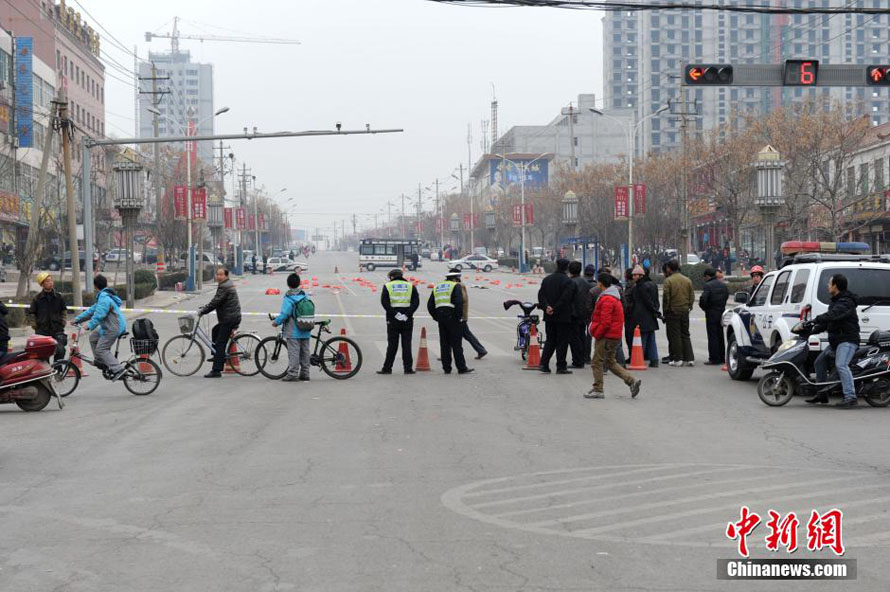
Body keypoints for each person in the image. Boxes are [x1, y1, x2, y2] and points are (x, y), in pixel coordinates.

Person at [807, 274, 860, 408]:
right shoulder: (836, 301)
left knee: (841, 365)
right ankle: (822, 394)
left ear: (835, 286)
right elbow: (830, 321)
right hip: (836, 342)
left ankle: (850, 397)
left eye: (829, 283)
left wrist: (815, 319)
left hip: (847, 340)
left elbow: (833, 315)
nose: (828, 286)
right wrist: (811, 330)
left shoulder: (846, 302)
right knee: (819, 362)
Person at [586, 273, 642, 399]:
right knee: (610, 362)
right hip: (614, 335)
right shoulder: (613, 297)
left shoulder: (607, 299)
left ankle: (598, 389)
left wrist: (597, 333)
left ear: (600, 283)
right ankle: (631, 381)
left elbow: (605, 322)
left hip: (606, 336)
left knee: (596, 362)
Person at [73, 275, 126, 379]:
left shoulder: (104, 298)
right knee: (93, 337)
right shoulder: (103, 296)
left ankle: (118, 369)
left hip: (113, 328)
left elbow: (99, 314)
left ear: (95, 286)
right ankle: (101, 362)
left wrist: (89, 325)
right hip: (109, 327)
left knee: (102, 349)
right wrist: (77, 319)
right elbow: (92, 310)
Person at [427, 269, 473, 374]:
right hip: (453, 318)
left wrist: (436, 317)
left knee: (444, 344)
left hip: (441, 319)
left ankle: (446, 368)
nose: (458, 281)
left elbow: (430, 305)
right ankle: (461, 368)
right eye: (458, 279)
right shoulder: (455, 286)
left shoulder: (437, 287)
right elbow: (459, 302)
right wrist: (458, 317)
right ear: (454, 279)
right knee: (457, 344)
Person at [199, 267, 242, 378]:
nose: (218, 276)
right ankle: (217, 355)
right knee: (215, 330)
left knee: (220, 343)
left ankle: (216, 370)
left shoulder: (225, 286)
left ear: (226, 276)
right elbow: (216, 300)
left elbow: (215, 302)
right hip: (231, 317)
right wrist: (205, 308)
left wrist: (203, 311)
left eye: (221, 275)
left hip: (229, 318)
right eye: (217, 274)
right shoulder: (226, 284)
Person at [537, 258, 577, 374]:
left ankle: (544, 364)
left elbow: (541, 295)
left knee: (550, 340)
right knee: (562, 341)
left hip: (549, 316)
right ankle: (561, 366)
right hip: (563, 316)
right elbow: (566, 298)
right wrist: (555, 308)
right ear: (567, 267)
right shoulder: (568, 282)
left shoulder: (547, 280)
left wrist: (547, 307)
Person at [270, 273, 313, 382]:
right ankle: (305, 373)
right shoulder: (304, 295)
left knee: (294, 353)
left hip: (294, 331)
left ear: (288, 284)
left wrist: (276, 322)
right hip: (306, 327)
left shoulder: (289, 298)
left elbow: (285, 314)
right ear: (299, 283)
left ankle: (293, 374)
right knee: (305, 352)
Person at [378, 268, 420, 374]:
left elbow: (385, 302)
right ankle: (408, 368)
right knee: (406, 345)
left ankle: (387, 368)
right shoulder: (411, 286)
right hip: (407, 320)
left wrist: (395, 314)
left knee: (392, 345)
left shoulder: (387, 286)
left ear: (392, 277)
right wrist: (407, 314)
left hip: (393, 320)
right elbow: (416, 302)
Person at [29, 271, 68, 361]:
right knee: (43, 354)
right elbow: (32, 313)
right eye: (47, 281)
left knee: (60, 350)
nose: (50, 283)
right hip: (42, 331)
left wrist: (63, 321)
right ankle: (46, 372)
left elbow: (64, 310)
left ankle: (58, 370)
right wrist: (34, 325)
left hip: (57, 329)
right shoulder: (37, 298)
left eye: (51, 280)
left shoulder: (59, 297)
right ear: (42, 284)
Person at [662, 259, 694, 367]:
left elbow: (666, 298)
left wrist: (666, 311)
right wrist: (689, 306)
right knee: (685, 334)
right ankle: (690, 358)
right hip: (685, 310)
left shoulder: (668, 281)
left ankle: (678, 358)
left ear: (668, 268)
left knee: (675, 335)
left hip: (673, 311)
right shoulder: (687, 280)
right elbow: (692, 296)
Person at [453, 271, 487, 360]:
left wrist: (460, 315)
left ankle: (481, 350)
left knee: (453, 334)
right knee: (466, 334)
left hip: (460, 316)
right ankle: (481, 350)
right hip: (460, 315)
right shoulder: (458, 285)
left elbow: (462, 300)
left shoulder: (459, 286)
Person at [630, 265, 660, 368]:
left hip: (642, 316)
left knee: (641, 339)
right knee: (651, 338)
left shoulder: (640, 287)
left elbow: (647, 302)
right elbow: (655, 301)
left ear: (641, 275)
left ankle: (639, 359)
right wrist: (656, 311)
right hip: (651, 316)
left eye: (635, 275)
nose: (633, 277)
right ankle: (654, 359)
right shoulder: (652, 284)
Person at [699, 267, 729, 365]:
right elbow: (726, 296)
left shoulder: (708, 286)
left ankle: (714, 358)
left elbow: (704, 299)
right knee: (720, 335)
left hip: (711, 312)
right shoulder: (723, 285)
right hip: (721, 311)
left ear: (708, 276)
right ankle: (722, 357)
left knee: (712, 336)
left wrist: (705, 308)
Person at [568, 261, 590, 367]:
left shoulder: (570, 282)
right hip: (584, 313)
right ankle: (583, 358)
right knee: (582, 336)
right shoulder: (586, 283)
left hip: (573, 314)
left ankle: (577, 361)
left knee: (574, 338)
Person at [581, 264, 597, 362]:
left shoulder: (580, 283)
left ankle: (583, 355)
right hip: (593, 313)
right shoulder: (596, 285)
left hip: (581, 313)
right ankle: (588, 357)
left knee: (581, 334)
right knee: (590, 335)